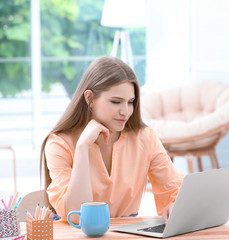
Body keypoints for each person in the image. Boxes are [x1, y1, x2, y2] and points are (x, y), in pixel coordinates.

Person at [40, 56, 183, 223]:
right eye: (116, 102)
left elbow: (174, 190)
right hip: (77, 233)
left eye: (131, 102)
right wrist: (82, 147)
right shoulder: (59, 143)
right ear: (90, 99)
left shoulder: (145, 138)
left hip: (125, 233)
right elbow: (78, 216)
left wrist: (176, 205)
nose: (126, 111)